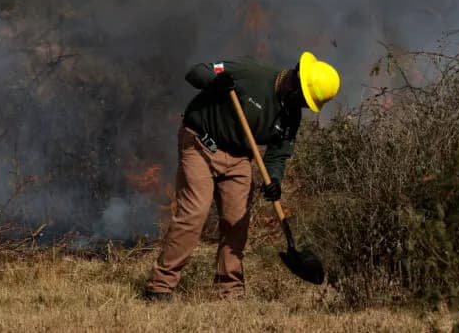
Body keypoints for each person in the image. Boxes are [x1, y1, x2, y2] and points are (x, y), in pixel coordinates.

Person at [144, 51, 340, 300]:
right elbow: (197, 70)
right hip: (201, 144)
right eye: (302, 98)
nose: (302, 105)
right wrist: (215, 81)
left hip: (238, 158)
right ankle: (160, 287)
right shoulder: (251, 74)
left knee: (237, 223)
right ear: (295, 79)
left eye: (307, 103)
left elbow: (278, 155)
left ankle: (230, 291)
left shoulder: (291, 116)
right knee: (195, 212)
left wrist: (274, 181)